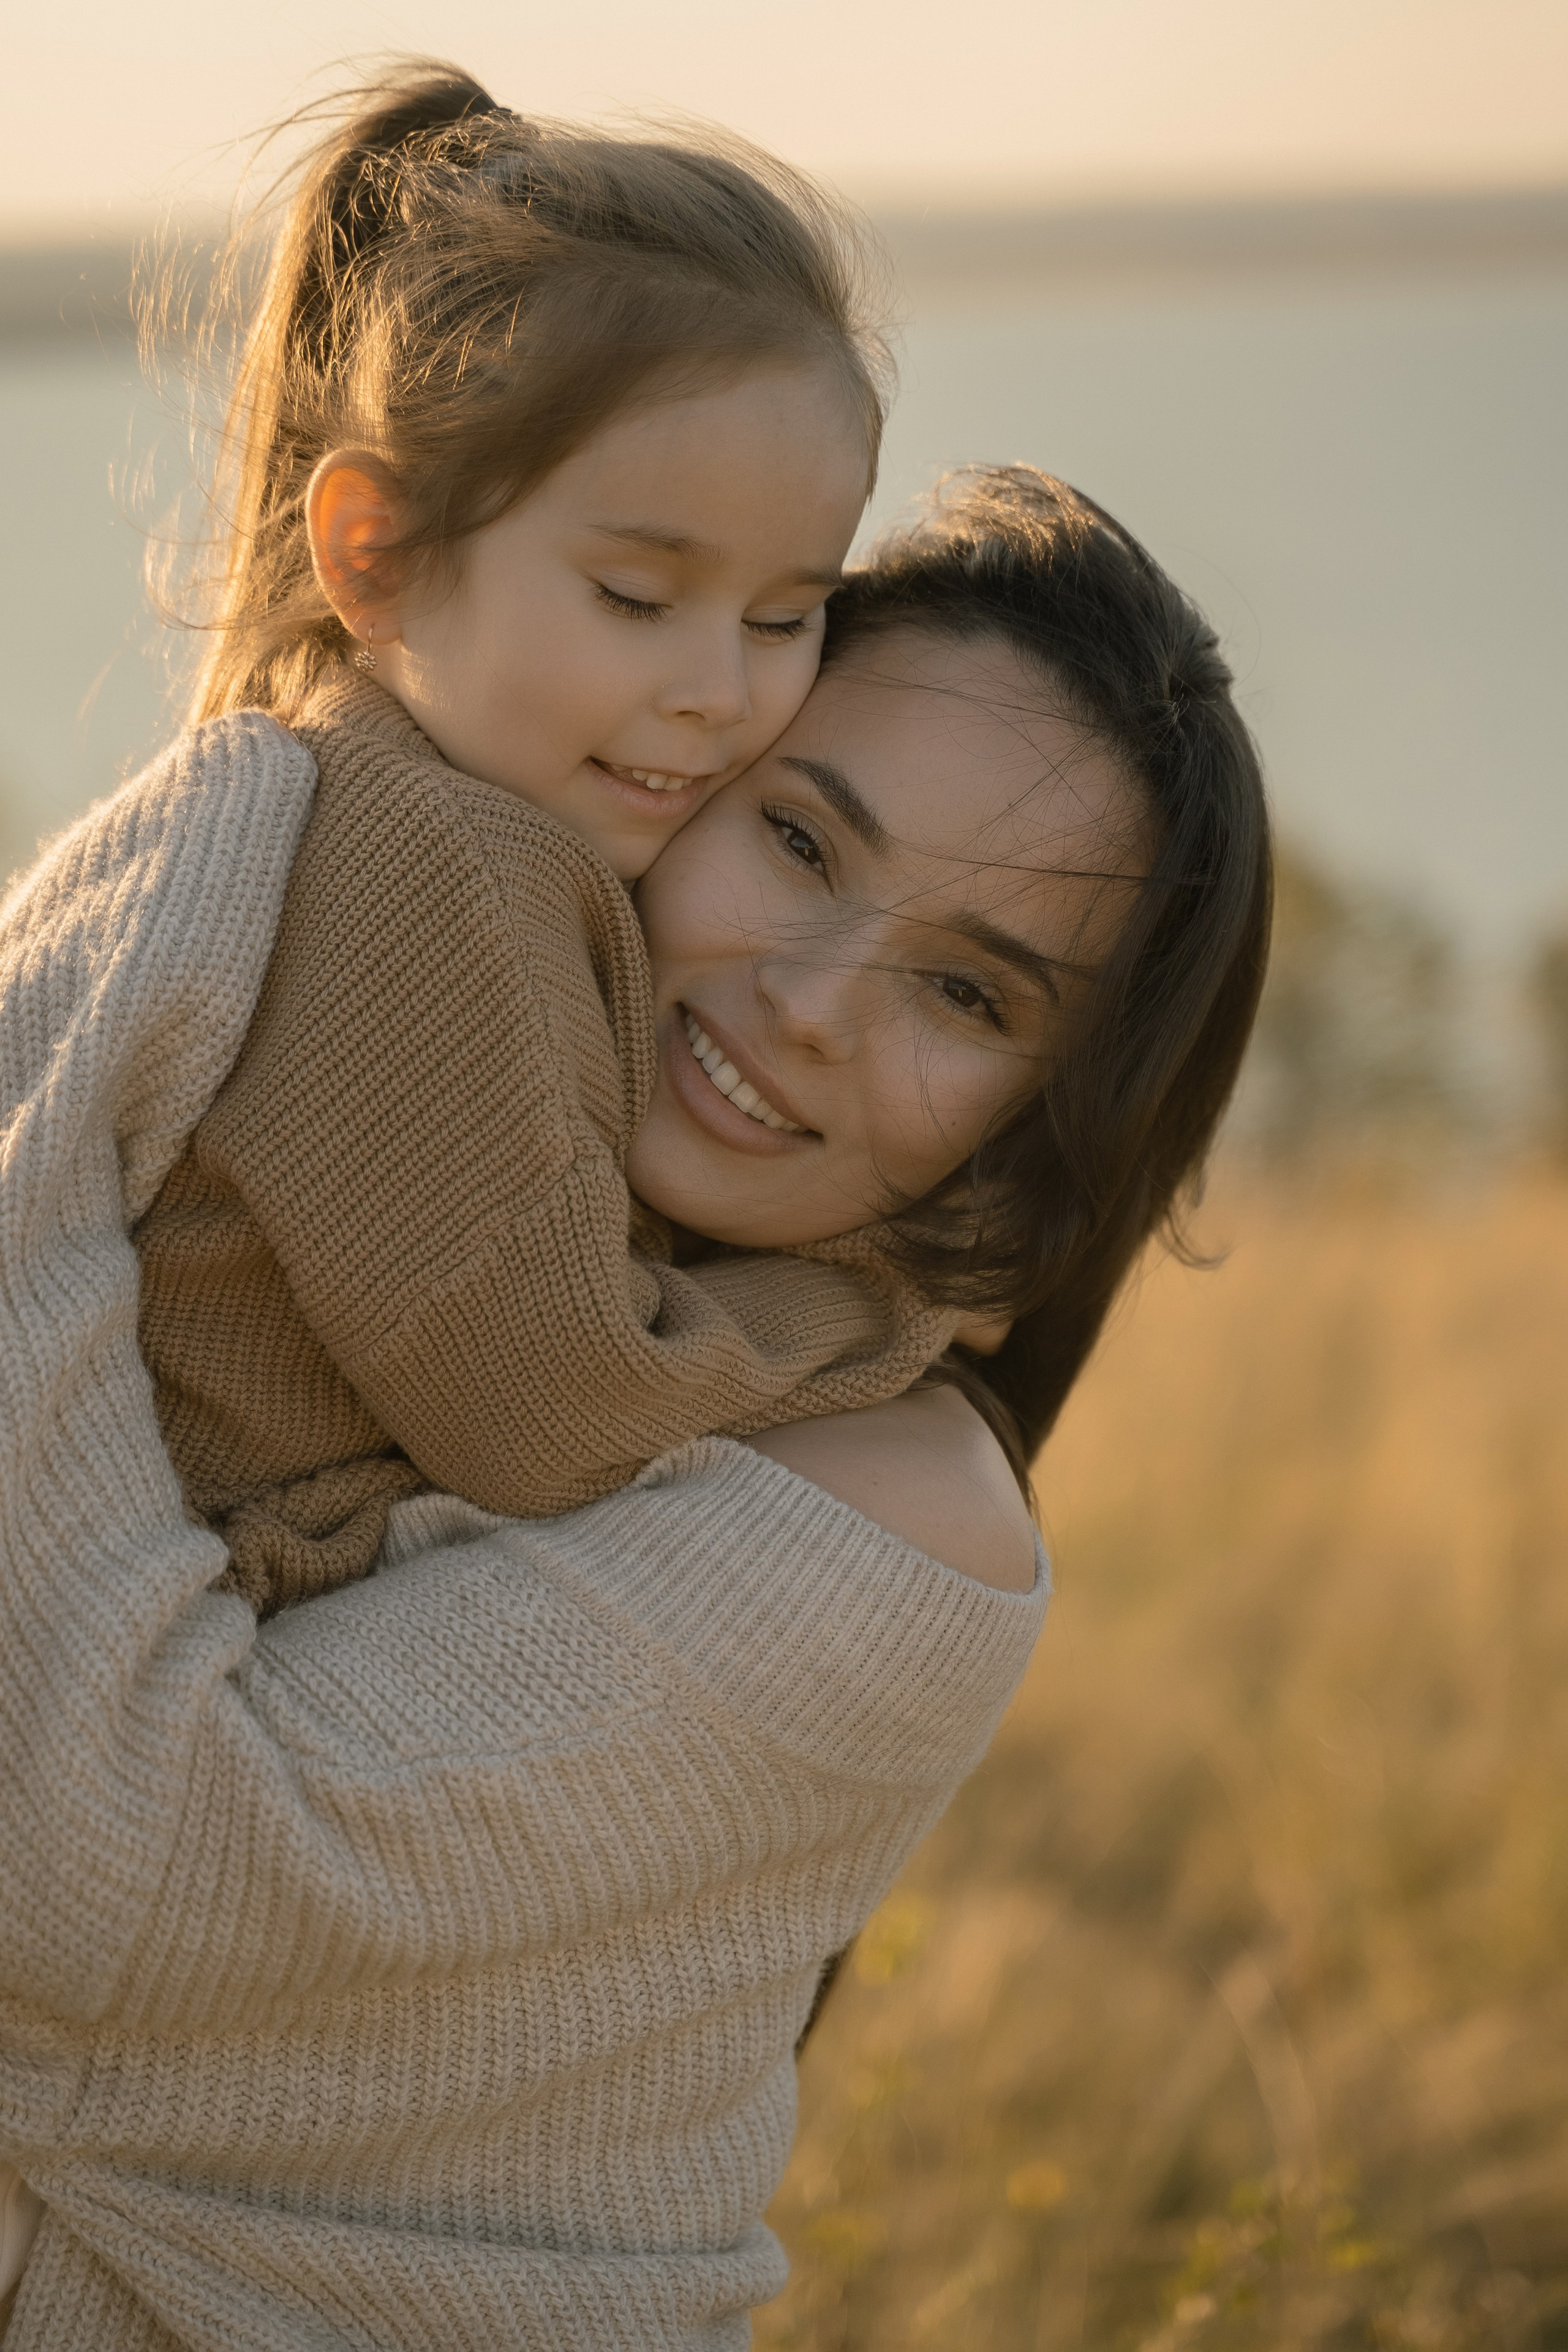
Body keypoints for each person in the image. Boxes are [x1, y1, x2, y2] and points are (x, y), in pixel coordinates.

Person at [0, 456, 1270, 2346]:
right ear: (667, 767)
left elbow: (100, 1891)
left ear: (1044, 1125)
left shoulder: (891, 1511)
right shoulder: (414, 1187)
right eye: (803, 842)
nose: (814, 999)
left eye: (971, 998)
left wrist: (79, 1025)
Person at [129, 62, 965, 1624]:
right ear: (376, 550)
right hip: (209, 1611)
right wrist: (881, 1302)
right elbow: (554, 1411)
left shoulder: (375, 789)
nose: (719, 693)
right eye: (636, 600)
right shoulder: (434, 865)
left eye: (784, 617)